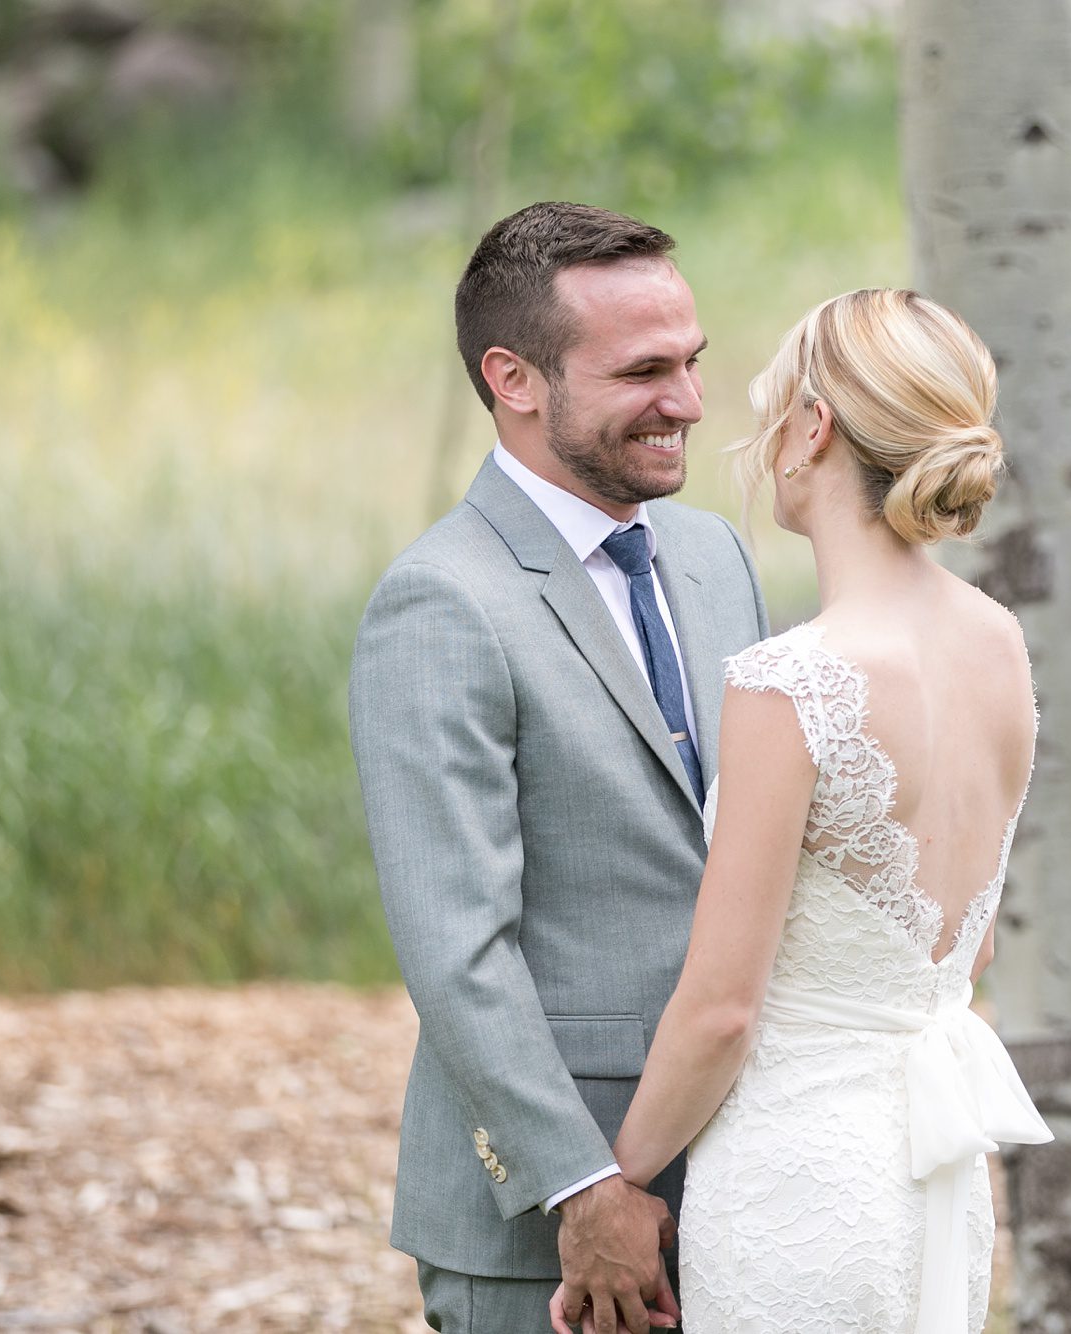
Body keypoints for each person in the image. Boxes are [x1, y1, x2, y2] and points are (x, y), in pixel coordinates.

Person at [550, 288, 1054, 1334]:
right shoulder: (998, 640)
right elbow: (966, 945)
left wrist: (617, 1189)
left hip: (800, 1181)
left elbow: (722, 1006)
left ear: (812, 429)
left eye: (775, 407)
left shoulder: (792, 680)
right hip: (936, 1181)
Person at [348, 201, 770, 1334]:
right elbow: (456, 946)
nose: (684, 399)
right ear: (515, 378)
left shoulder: (712, 553)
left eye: (689, 362)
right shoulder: (439, 602)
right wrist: (581, 1187)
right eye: (641, 370)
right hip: (544, 1224)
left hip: (747, 1184)